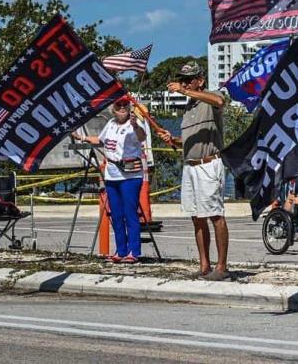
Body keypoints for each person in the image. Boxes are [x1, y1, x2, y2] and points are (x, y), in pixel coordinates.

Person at [157, 60, 229, 281]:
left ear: (200, 81)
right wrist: (173, 140)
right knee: (196, 217)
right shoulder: (189, 108)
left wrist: (186, 91)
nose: (184, 83)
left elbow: (220, 101)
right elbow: (188, 139)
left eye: (189, 80)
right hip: (190, 166)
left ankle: (222, 267)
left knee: (215, 215)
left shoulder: (210, 97)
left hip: (208, 164)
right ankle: (204, 265)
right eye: (182, 80)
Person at [71, 97, 146, 264]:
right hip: (112, 174)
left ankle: (134, 251)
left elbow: (142, 137)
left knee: (130, 213)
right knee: (116, 215)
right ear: (113, 108)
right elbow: (100, 139)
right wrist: (80, 137)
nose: (122, 108)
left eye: (125, 105)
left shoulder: (133, 124)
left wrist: (135, 125)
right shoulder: (111, 123)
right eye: (119, 105)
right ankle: (121, 250)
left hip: (130, 175)